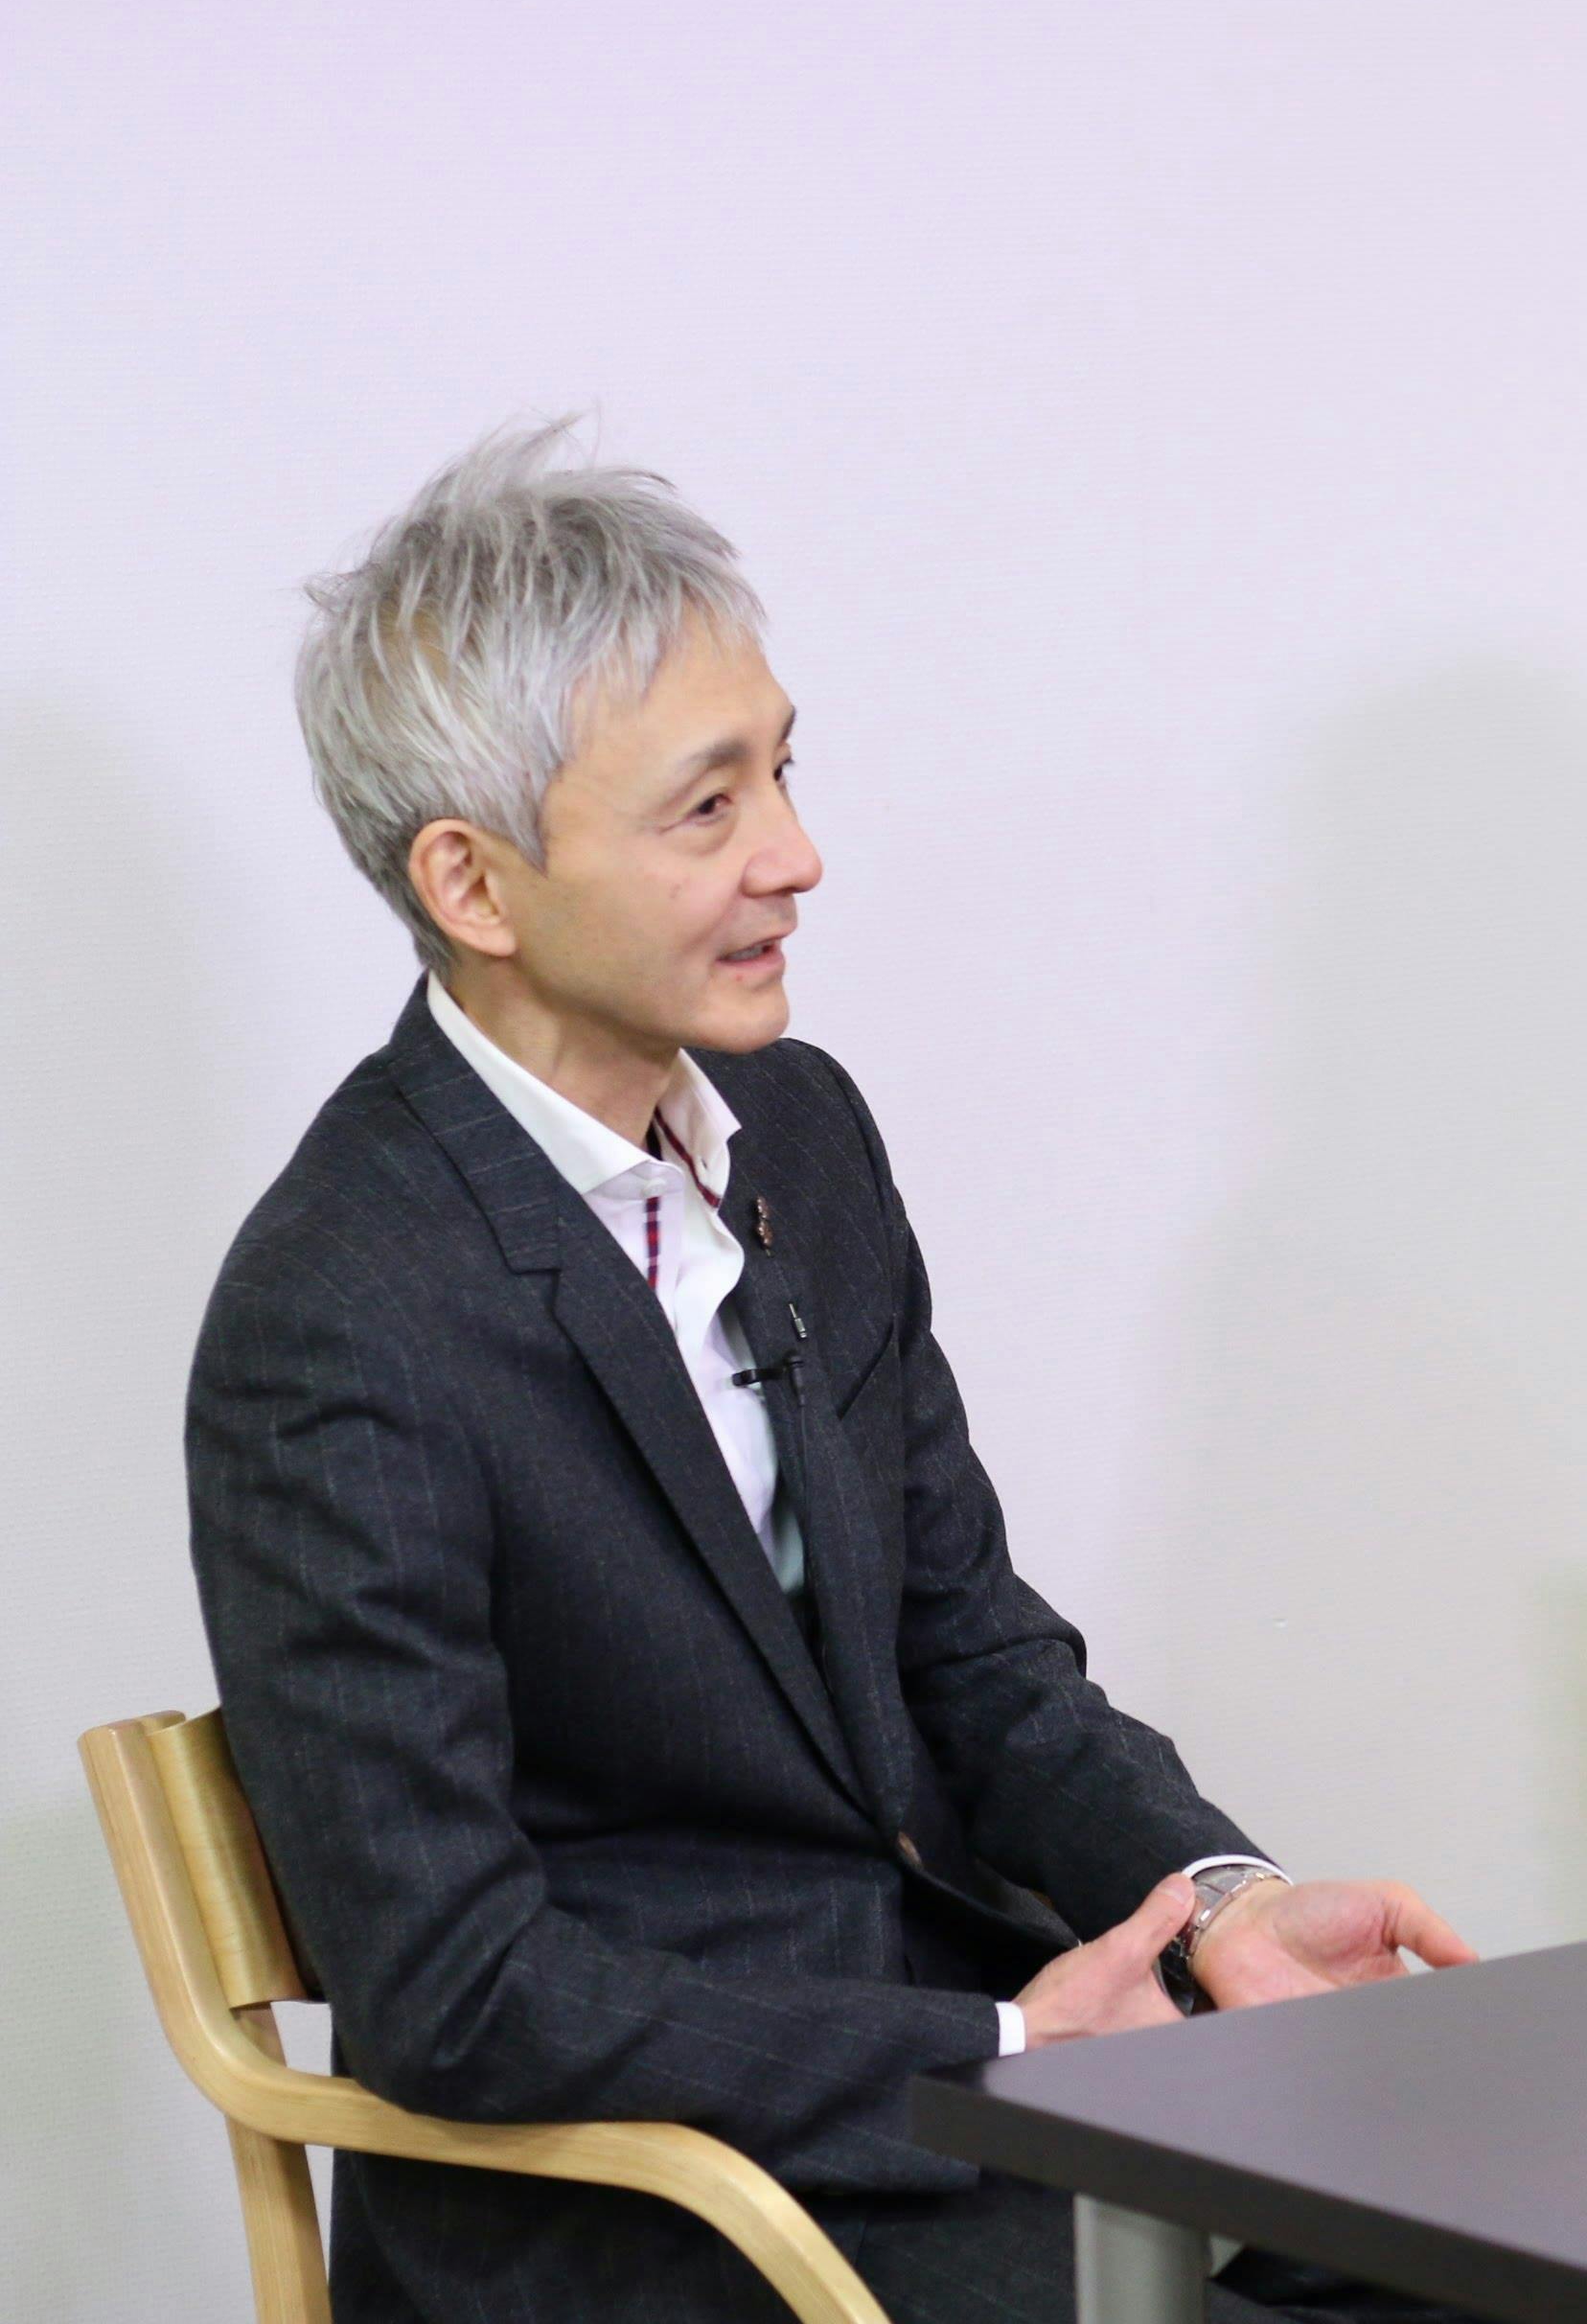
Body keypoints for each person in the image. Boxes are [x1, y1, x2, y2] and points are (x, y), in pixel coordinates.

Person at [189, 426, 1477, 2324]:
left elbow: (973, 1652)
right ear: (473, 882)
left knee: (1516, 2238)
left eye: (781, 771)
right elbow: (456, 1987)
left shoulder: (799, 1131)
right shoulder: (340, 1314)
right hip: (642, 2202)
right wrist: (999, 2048)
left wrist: (1220, 1900)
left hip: (945, 2084)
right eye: (706, 808)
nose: (795, 855)